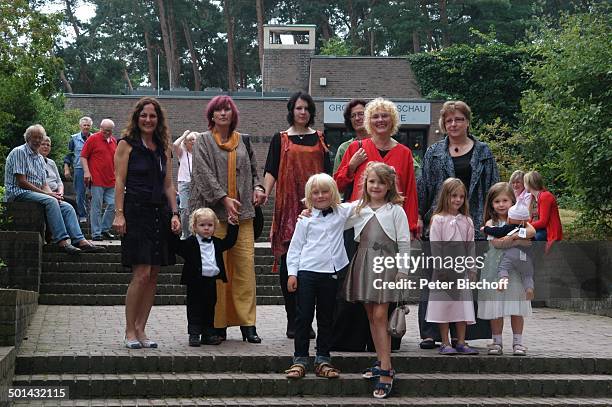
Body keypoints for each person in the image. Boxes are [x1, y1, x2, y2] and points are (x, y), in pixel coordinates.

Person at [417, 100, 498, 349]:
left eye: (459, 119)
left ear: (468, 122)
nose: (454, 124)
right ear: (443, 123)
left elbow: (493, 187)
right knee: (437, 278)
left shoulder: (483, 151)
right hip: (439, 222)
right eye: (449, 120)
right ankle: (432, 332)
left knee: (465, 282)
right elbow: (425, 187)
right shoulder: (434, 152)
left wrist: (493, 221)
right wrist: (420, 216)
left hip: (472, 223)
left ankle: (464, 336)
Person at [189, 95, 266, 344]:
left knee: (245, 270)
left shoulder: (243, 140)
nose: (223, 114)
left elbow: (255, 171)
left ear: (233, 115)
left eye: (227, 110)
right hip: (213, 218)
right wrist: (223, 199)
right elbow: (202, 173)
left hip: (242, 216)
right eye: (218, 110)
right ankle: (217, 325)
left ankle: (248, 324)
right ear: (211, 115)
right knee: (216, 272)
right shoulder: (202, 141)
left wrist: (258, 188)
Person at [113, 97, 181, 349]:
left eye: (153, 116)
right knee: (140, 274)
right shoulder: (126, 145)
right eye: (144, 115)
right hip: (136, 211)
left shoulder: (164, 148)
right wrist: (119, 214)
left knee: (153, 275)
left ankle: (142, 329)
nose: (148, 120)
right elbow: (119, 181)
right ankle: (129, 331)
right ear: (137, 117)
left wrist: (175, 213)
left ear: (158, 119)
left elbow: (169, 184)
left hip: (159, 213)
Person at [263, 91, 331, 339]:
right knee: (289, 262)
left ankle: (307, 319)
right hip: (289, 207)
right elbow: (271, 169)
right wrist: (264, 192)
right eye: (298, 108)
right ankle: (294, 320)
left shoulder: (320, 138)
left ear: (311, 112)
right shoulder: (280, 139)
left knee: (313, 263)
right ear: (291, 110)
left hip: (316, 208)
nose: (302, 112)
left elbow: (328, 173)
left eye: (306, 109)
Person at [343, 162, 410, 398]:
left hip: (386, 266)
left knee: (381, 315)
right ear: (365, 183)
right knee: (372, 316)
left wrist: (403, 270)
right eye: (372, 181)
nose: (376, 186)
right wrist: (309, 210)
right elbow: (332, 214)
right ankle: (381, 361)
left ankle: (386, 369)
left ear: (389, 184)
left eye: (381, 182)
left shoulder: (395, 211)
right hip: (363, 264)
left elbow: (403, 242)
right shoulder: (357, 208)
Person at [284, 173, 355, 381]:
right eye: (315, 192)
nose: (320, 196)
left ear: (332, 193)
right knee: (303, 317)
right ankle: (300, 359)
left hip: (330, 273)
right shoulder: (305, 219)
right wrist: (292, 274)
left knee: (326, 317)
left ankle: (323, 358)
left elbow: (363, 203)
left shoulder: (341, 213)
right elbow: (295, 248)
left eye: (325, 191)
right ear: (309, 195)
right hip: (306, 272)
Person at [4, 124, 103, 254]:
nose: (38, 140)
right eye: (35, 137)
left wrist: (52, 194)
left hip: (35, 193)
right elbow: (22, 182)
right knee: (51, 201)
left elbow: (44, 183)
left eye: (40, 137)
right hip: (18, 192)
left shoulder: (39, 158)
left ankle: (80, 240)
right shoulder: (19, 152)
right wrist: (49, 196)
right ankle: (62, 241)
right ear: (28, 138)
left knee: (67, 207)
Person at [335, 98, 419, 238]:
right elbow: (337, 186)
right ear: (369, 121)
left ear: (392, 120)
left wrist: (411, 226)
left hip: (392, 225)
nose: (380, 120)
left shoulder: (404, 153)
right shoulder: (355, 148)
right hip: (360, 224)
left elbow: (410, 193)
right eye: (375, 116)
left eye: (385, 115)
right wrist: (351, 167)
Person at [330, 99, 373, 352]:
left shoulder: (386, 144)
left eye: (363, 114)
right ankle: (348, 335)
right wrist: (353, 164)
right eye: (355, 115)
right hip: (353, 218)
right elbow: (336, 184)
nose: (359, 118)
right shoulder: (347, 147)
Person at [477, 182, 534, 356]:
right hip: (495, 270)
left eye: (505, 200)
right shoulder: (491, 222)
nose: (501, 204)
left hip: (515, 270)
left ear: (513, 202)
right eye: (497, 201)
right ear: (492, 204)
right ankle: (497, 342)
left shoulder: (520, 221)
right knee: (496, 306)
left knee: (516, 304)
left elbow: (530, 236)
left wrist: (514, 237)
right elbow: (497, 243)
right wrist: (517, 238)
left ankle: (518, 342)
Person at [425, 178, 479, 356]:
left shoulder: (467, 221)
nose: (457, 200)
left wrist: (471, 268)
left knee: (462, 305)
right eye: (454, 196)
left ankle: (461, 341)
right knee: (444, 305)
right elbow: (435, 246)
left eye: (461, 197)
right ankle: (445, 341)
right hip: (444, 270)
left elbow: (470, 246)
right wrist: (440, 269)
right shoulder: (438, 220)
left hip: (460, 269)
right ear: (445, 196)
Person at [172, 208, 238, 347]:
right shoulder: (190, 242)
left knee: (210, 307)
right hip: (195, 282)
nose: (206, 228)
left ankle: (208, 334)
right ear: (194, 227)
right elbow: (176, 247)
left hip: (211, 281)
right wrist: (175, 233)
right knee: (194, 307)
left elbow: (229, 242)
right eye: (202, 225)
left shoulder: (216, 242)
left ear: (215, 227)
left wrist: (233, 226)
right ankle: (194, 334)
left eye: (210, 225)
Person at [481, 201, 536, 300]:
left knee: (503, 268)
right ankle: (529, 289)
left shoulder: (508, 227)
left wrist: (486, 229)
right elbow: (532, 242)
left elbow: (497, 232)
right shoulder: (525, 229)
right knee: (527, 275)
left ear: (509, 218)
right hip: (526, 257)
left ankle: (503, 280)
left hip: (511, 254)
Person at [81, 119, 117, 241]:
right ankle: (96, 234)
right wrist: (86, 172)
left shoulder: (113, 141)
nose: (108, 133)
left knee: (114, 204)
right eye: (106, 130)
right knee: (96, 207)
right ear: (100, 128)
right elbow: (83, 156)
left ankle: (104, 229)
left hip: (111, 180)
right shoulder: (93, 139)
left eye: (110, 131)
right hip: (96, 179)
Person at [523, 170, 563, 250]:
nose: (524, 185)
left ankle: (534, 260)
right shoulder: (533, 197)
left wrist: (525, 227)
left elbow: (543, 222)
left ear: (529, 184)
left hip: (549, 231)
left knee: (531, 240)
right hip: (542, 229)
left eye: (524, 183)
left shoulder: (545, 196)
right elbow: (531, 218)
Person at [63, 116, 93, 222]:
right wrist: (66, 168)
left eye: (88, 125)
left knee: (92, 193)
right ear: (80, 126)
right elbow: (68, 155)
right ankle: (82, 216)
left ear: (91, 126)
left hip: (93, 169)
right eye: (84, 125)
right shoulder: (74, 138)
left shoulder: (95, 138)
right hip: (79, 168)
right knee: (80, 193)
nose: (86, 127)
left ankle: (92, 216)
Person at [39, 135, 77, 212]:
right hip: (45, 193)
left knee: (74, 203)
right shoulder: (35, 161)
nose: (46, 147)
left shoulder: (51, 163)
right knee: (70, 204)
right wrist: (51, 194)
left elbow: (59, 181)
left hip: (57, 193)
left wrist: (60, 193)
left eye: (48, 145)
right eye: (43, 144)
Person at [333, 99, 369, 174]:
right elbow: (336, 180)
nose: (357, 118)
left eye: (361, 114)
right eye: (353, 116)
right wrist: (352, 165)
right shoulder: (344, 148)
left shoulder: (380, 143)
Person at [173, 130, 198, 239]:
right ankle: (185, 234)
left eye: (194, 140)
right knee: (184, 209)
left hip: (197, 184)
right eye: (190, 140)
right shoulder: (182, 153)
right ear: (186, 142)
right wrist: (184, 135)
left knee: (196, 209)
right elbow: (174, 145)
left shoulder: (199, 154)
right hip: (184, 183)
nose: (193, 142)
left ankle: (195, 233)